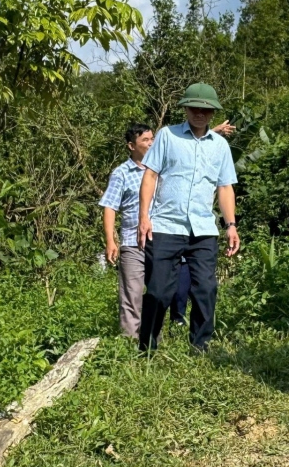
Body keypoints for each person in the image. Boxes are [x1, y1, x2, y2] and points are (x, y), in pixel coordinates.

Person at [137, 83, 240, 352]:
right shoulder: (168, 136)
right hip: (166, 226)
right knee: (159, 292)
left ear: (213, 114)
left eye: (206, 110)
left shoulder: (220, 146)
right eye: (194, 107)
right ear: (185, 108)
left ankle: (200, 346)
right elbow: (150, 175)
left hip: (203, 228)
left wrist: (231, 225)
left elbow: (225, 187)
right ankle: (147, 347)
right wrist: (144, 217)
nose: (199, 113)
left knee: (206, 289)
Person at [99, 124, 155, 338]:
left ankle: (152, 341)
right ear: (131, 146)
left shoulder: (161, 169)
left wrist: (211, 132)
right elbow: (110, 206)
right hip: (132, 242)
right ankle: (129, 343)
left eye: (152, 139)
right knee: (132, 295)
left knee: (158, 293)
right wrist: (111, 241)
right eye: (145, 140)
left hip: (160, 240)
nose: (151, 143)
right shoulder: (121, 173)